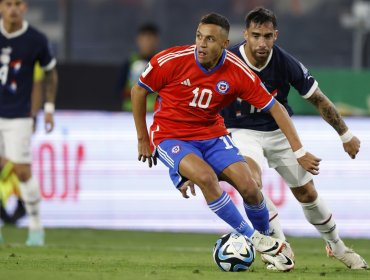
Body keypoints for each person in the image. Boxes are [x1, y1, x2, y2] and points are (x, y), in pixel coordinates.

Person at [132, 12, 322, 271]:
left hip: (212, 135)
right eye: (199, 36)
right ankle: (259, 240)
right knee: (206, 177)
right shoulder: (171, 60)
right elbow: (138, 90)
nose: (201, 44)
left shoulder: (237, 71)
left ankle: (267, 246)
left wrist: (298, 151)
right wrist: (143, 138)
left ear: (224, 44)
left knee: (251, 186)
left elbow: (276, 108)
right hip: (171, 135)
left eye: (210, 39)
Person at [221, 7, 368, 270]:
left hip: (279, 130)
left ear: (276, 35)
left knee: (307, 192)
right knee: (251, 184)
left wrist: (345, 134)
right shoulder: (228, 60)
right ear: (245, 35)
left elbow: (318, 99)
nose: (262, 43)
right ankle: (279, 247)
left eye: (267, 36)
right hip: (241, 131)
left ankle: (337, 246)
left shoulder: (285, 63)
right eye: (256, 35)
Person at [0, 0, 58, 246]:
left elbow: (50, 73)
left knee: (22, 171)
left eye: (17, 4)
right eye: (8, 3)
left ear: (24, 7)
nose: (13, 9)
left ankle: (36, 227)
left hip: (19, 115)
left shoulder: (35, 39)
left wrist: (48, 109)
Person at [0, 62, 44, 225]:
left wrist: (32, 116)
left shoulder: (30, 49)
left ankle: (24, 205)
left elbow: (37, 85)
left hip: (19, 117)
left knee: (19, 165)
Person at [117, 22, 160, 112]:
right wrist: (136, 92)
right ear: (138, 40)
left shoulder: (161, 62)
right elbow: (119, 89)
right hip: (130, 112)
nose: (147, 43)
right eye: (144, 39)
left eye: (150, 39)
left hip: (154, 113)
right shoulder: (130, 62)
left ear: (156, 41)